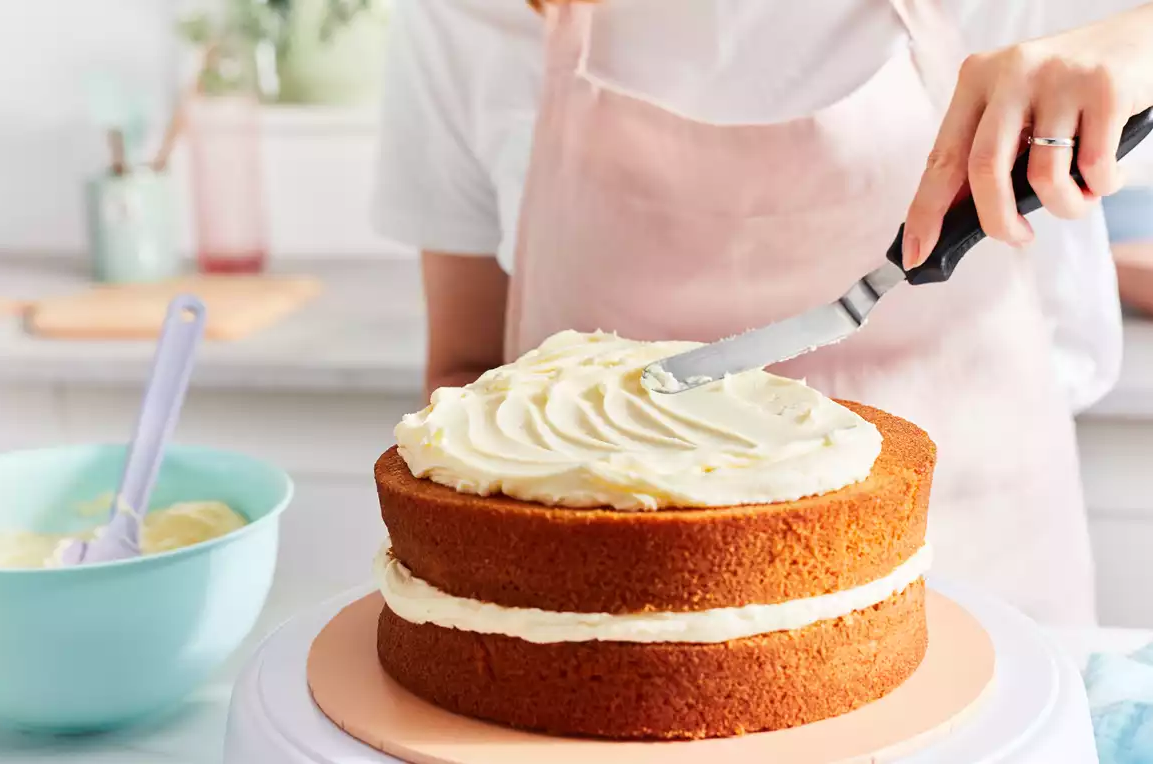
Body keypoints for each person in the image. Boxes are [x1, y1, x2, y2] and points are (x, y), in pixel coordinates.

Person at [370, 0, 1153, 626]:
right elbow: (465, 373)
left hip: (990, 586)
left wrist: (1132, 45)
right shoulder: (465, 16)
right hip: (596, 630)